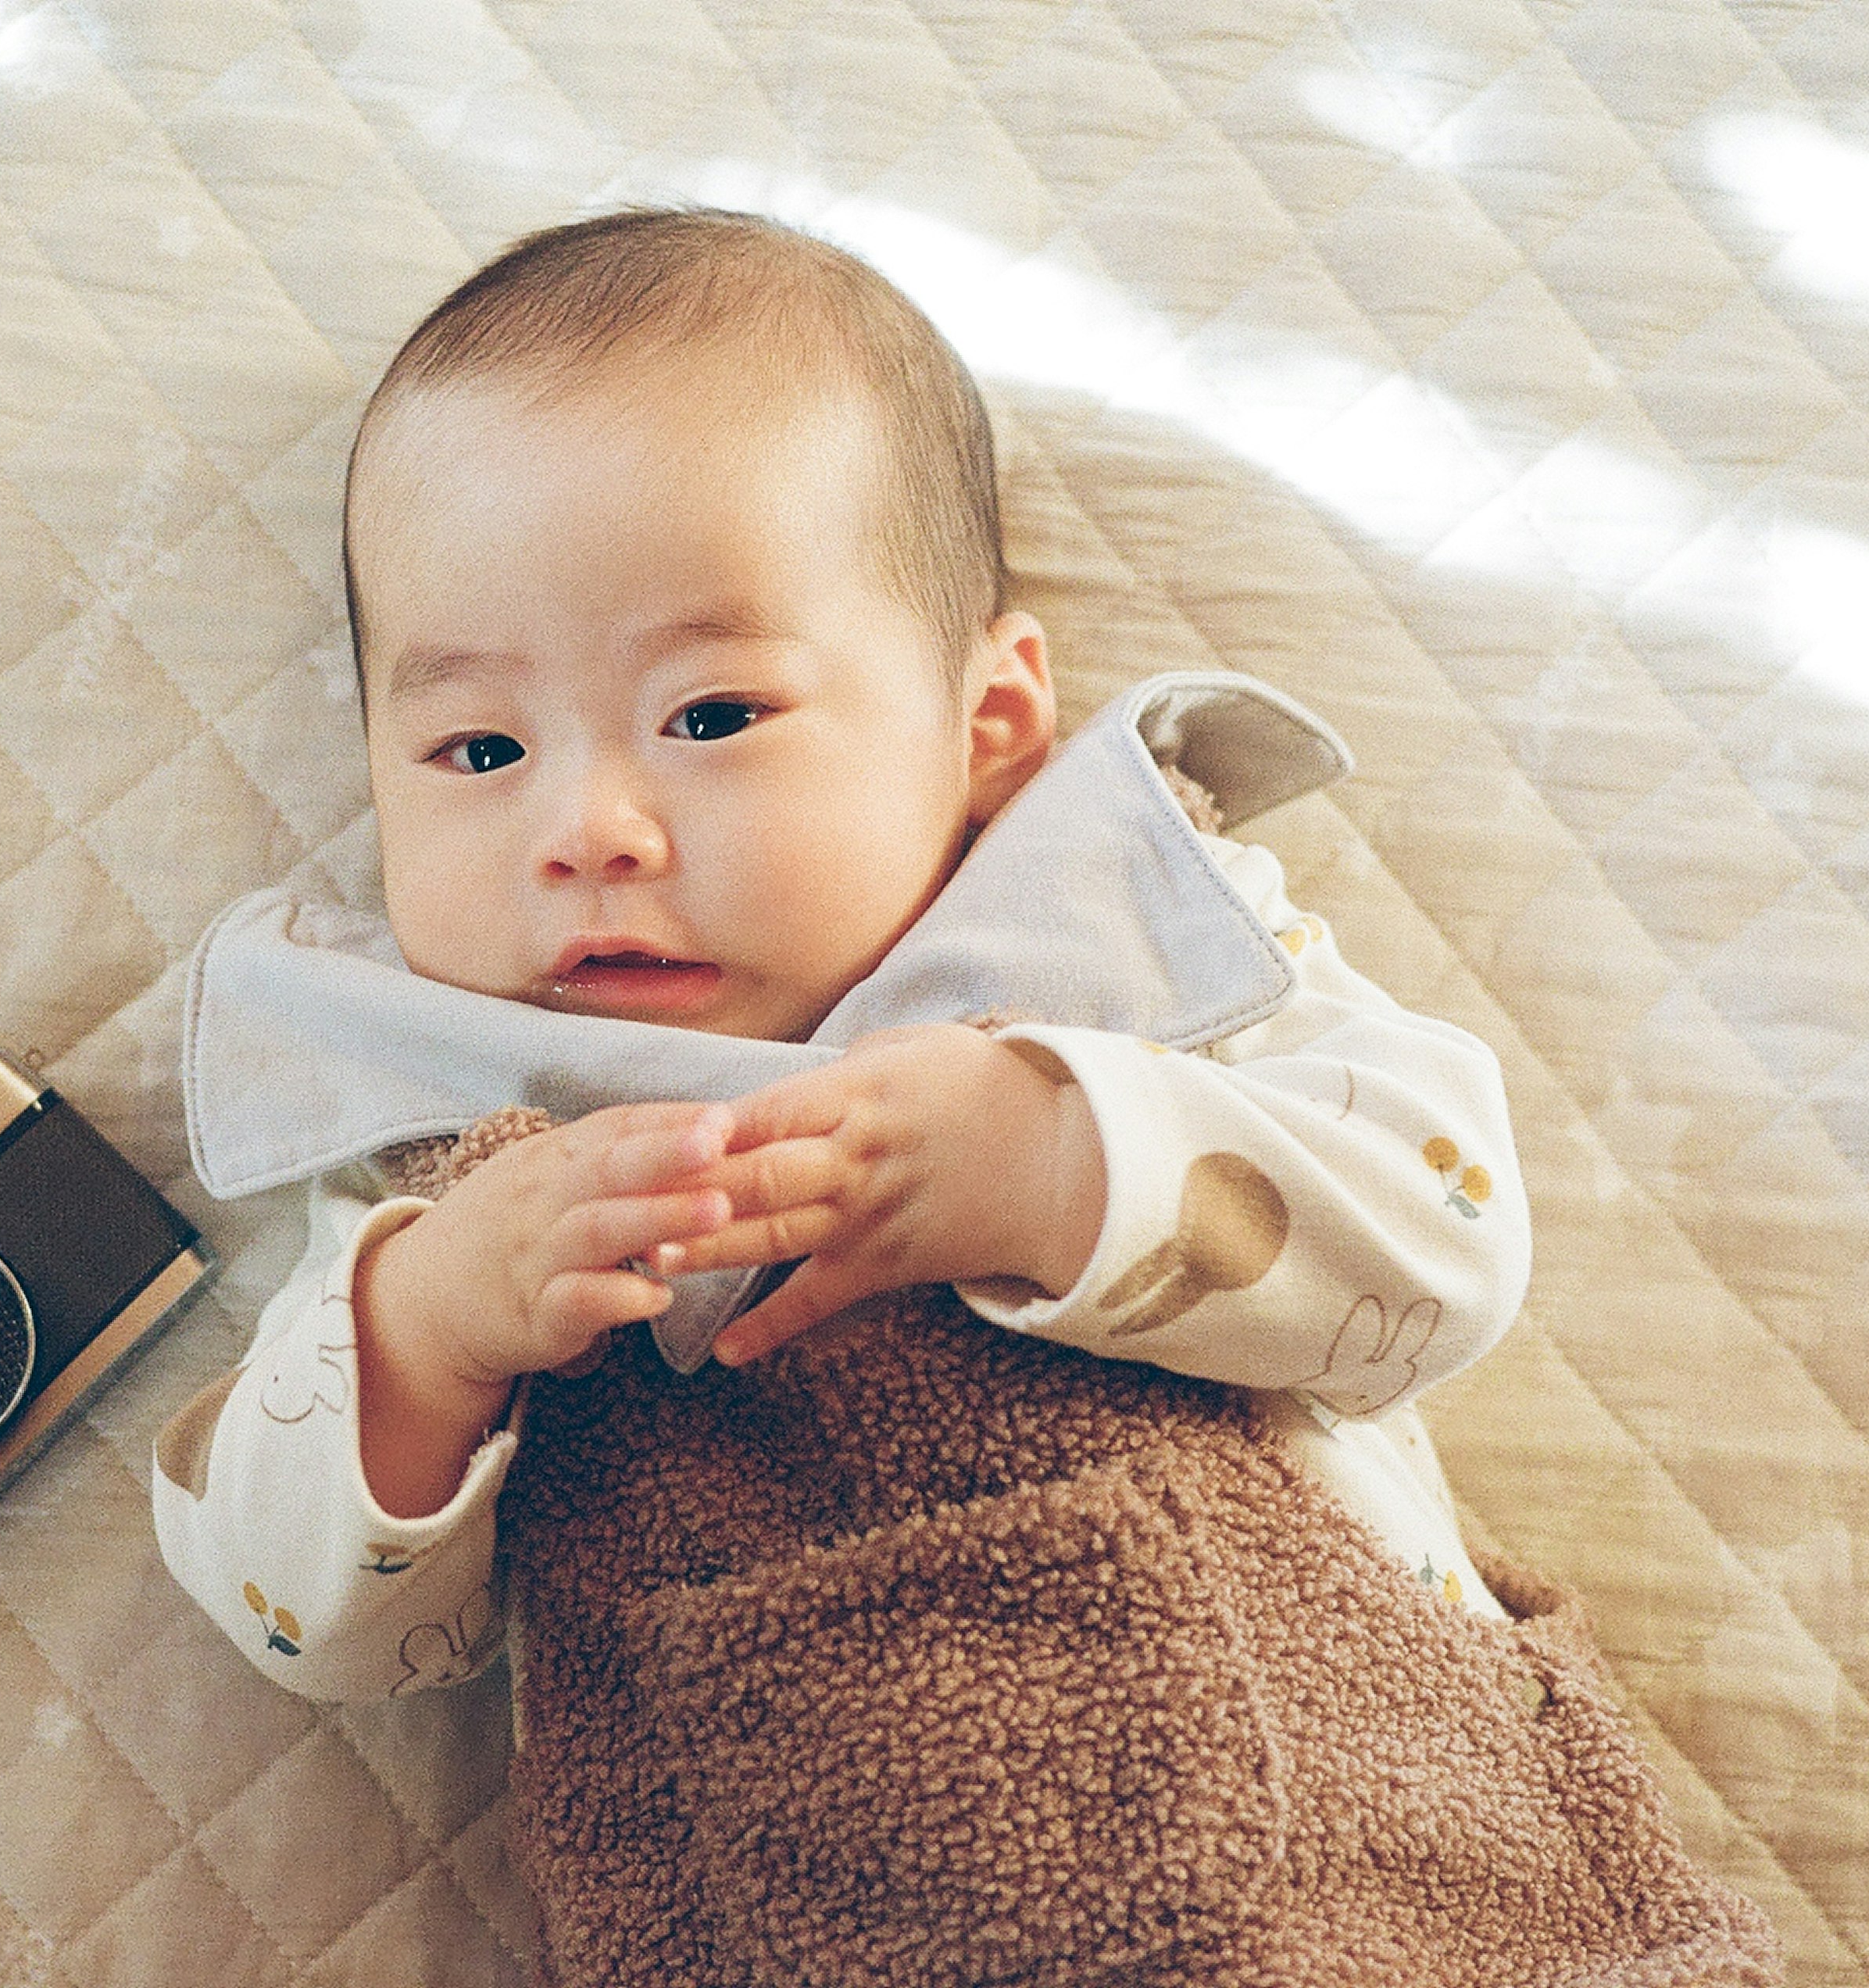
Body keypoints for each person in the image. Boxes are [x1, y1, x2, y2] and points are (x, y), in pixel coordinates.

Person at [155, 209, 1777, 1984]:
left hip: (1379, 1879)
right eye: (479, 750)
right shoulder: (459, 1137)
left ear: (989, 714)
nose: (589, 831)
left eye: (710, 716)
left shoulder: (1129, 950)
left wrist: (1062, 1160)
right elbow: (301, 1620)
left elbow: (1448, 1242)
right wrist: (428, 1330)